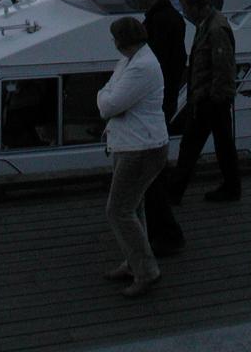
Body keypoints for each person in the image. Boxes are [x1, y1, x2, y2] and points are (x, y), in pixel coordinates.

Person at [97, 16, 168, 298]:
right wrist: (108, 98)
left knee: (118, 210)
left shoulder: (140, 67)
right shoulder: (131, 61)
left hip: (141, 149)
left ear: (120, 41)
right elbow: (111, 99)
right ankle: (134, 262)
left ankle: (146, 271)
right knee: (133, 208)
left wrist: (104, 96)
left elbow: (109, 103)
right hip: (133, 144)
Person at [129, 0, 185, 256]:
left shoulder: (159, 22)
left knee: (148, 173)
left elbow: (154, 68)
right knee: (152, 171)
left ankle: (167, 233)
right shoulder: (170, 17)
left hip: (155, 107)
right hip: (164, 103)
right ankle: (160, 230)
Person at [168, 0, 241, 204]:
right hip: (208, 97)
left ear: (197, 7)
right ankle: (230, 188)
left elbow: (223, 67)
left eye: (186, 8)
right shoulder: (209, 24)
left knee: (193, 146)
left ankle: (175, 192)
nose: (184, 12)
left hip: (210, 99)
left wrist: (213, 98)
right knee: (221, 144)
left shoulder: (215, 29)